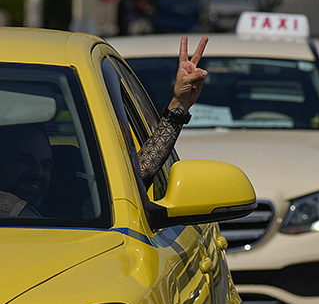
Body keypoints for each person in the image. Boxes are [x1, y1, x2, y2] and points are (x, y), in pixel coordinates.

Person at [0, 35, 209, 217]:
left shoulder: (81, 213)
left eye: (46, 165)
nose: (37, 172)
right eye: (24, 160)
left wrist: (179, 106)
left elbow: (136, 175)